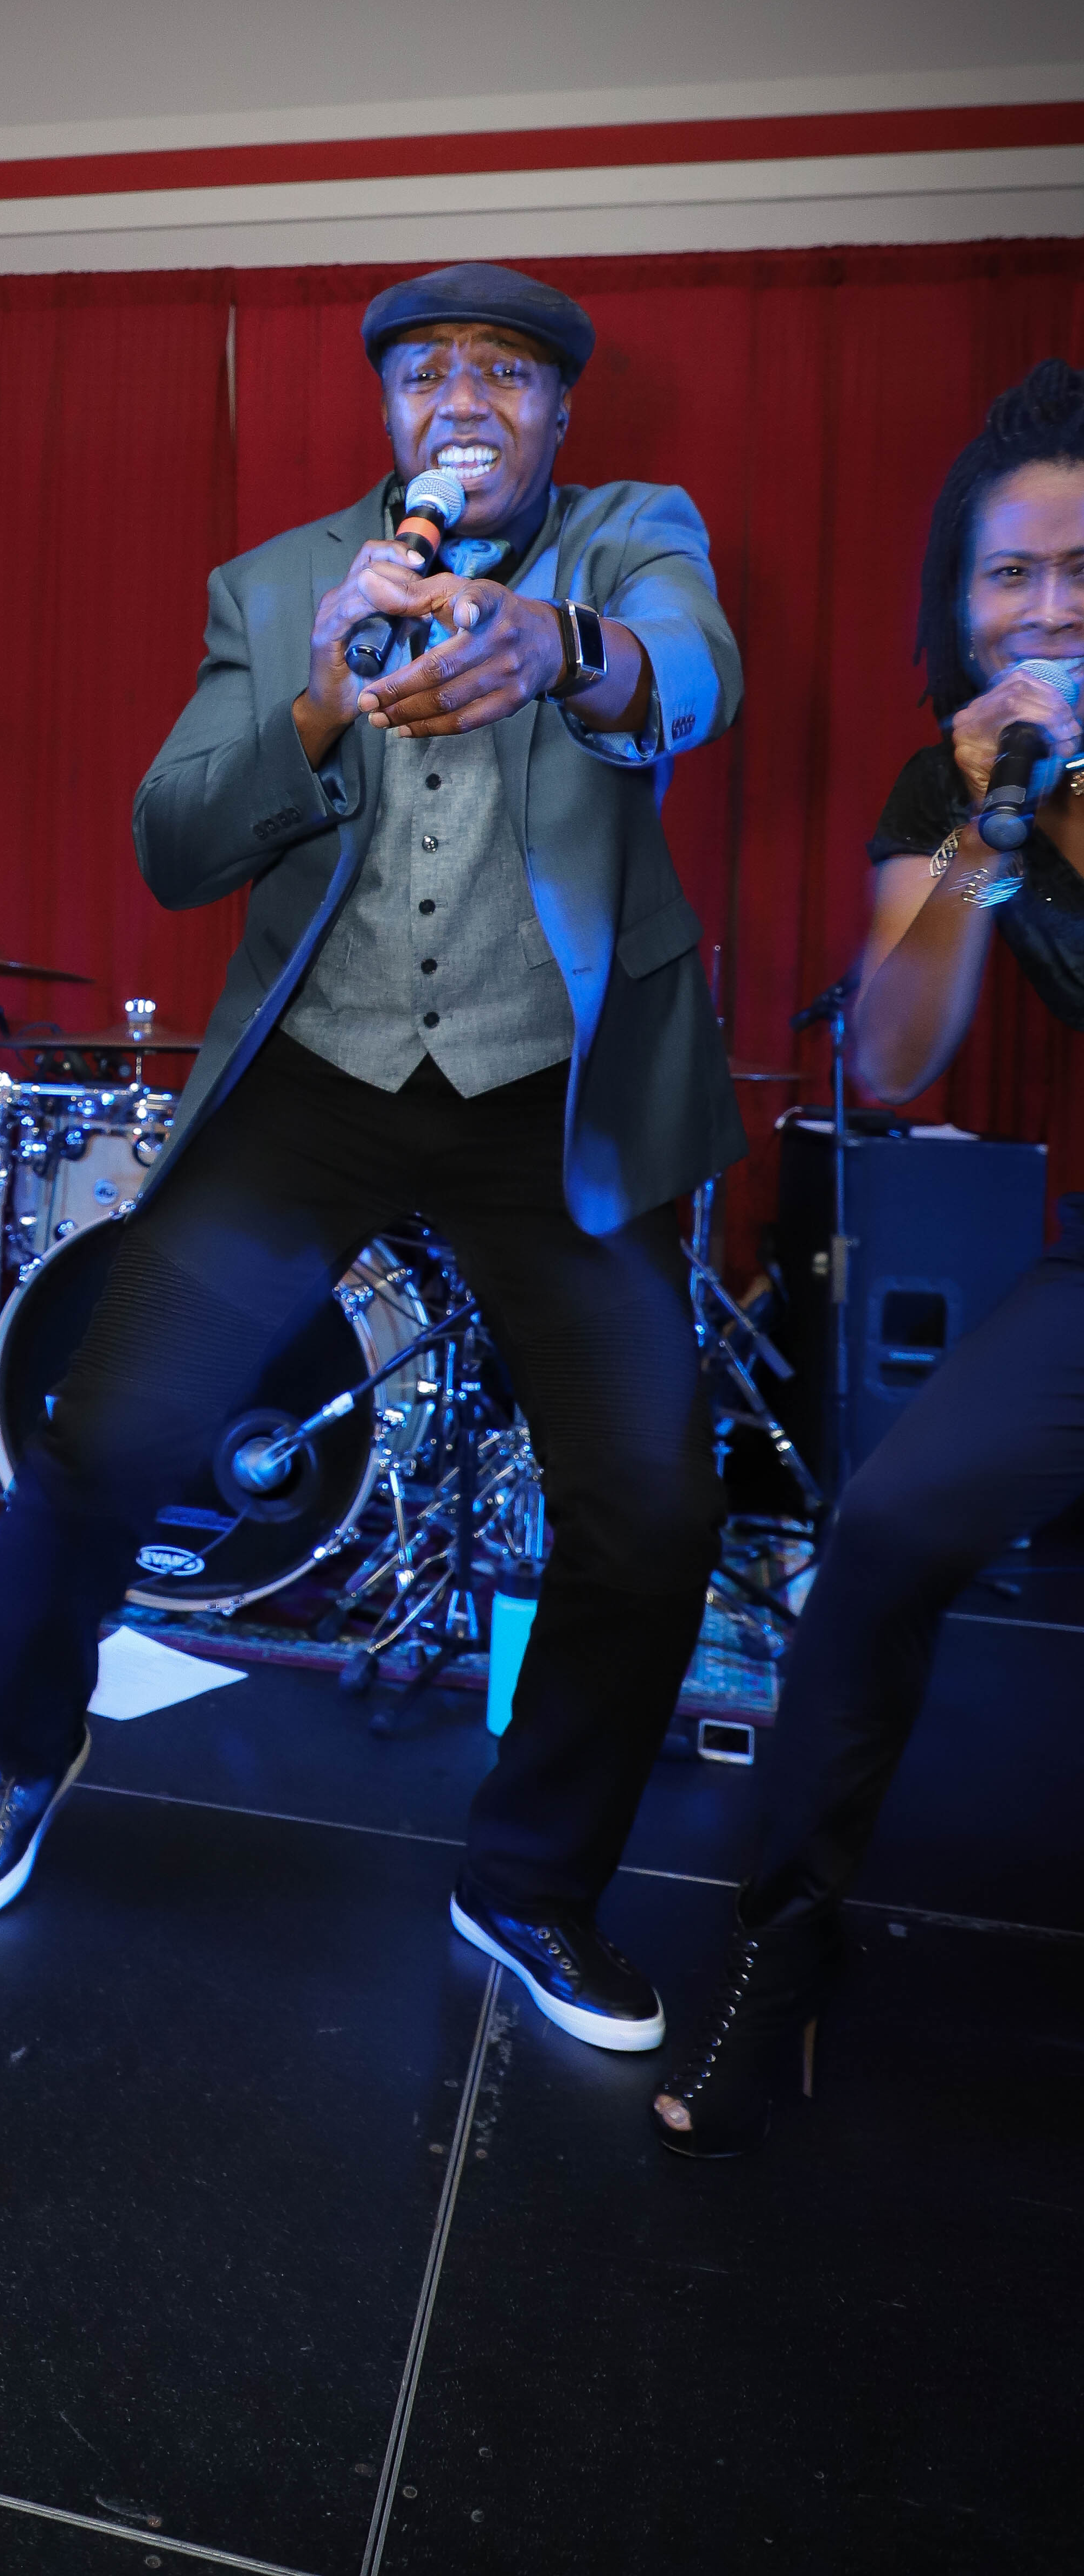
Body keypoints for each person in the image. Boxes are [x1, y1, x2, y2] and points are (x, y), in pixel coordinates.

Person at [0, 262, 745, 2061]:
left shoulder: (631, 539)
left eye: (506, 373)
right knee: (102, 1435)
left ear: (560, 413)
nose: (464, 402)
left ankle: (528, 1883)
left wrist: (561, 651)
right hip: (323, 1077)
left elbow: (693, 666)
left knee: (653, 1506)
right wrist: (310, 707)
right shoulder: (276, 580)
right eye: (427, 372)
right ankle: (17, 1748)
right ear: (388, 412)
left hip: (548, 1091)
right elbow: (171, 846)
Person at [654, 355, 1084, 2157]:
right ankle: (784, 1957)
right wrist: (989, 836)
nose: (1047, 610)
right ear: (959, 605)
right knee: (888, 1527)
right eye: (1011, 576)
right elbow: (898, 1053)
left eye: (1083, 572)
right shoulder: (960, 784)